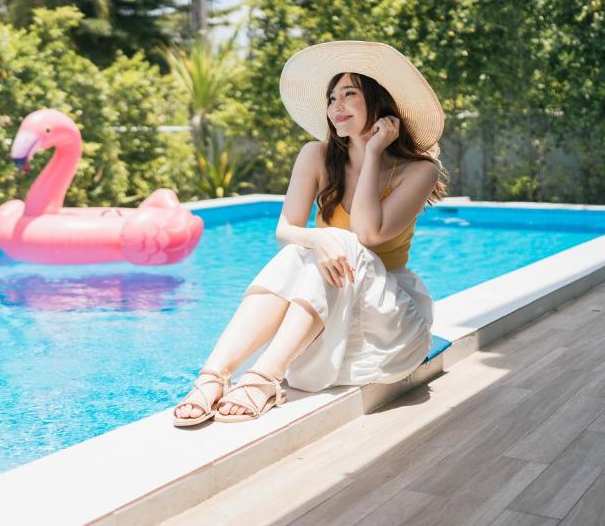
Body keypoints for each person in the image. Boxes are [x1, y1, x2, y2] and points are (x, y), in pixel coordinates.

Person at [173, 40, 449, 426]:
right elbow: (285, 230)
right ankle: (213, 376)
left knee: (343, 241)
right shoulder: (316, 155)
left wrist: (372, 154)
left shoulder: (418, 170)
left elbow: (368, 234)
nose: (336, 106)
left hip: (385, 321)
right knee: (307, 247)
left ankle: (264, 378)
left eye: (349, 94)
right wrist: (316, 238)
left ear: (380, 102)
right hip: (329, 307)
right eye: (331, 97)